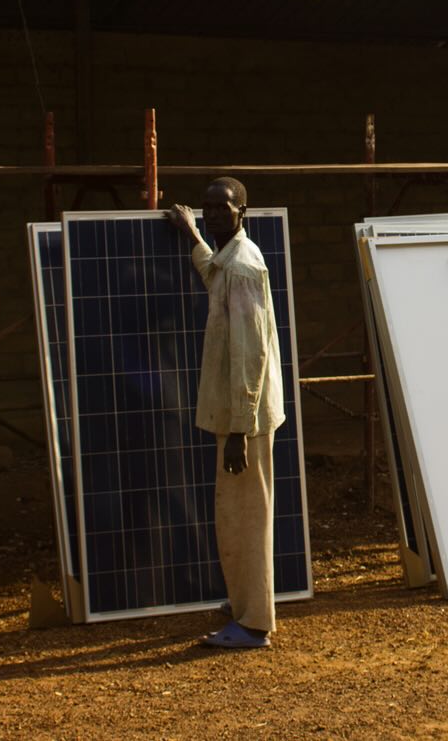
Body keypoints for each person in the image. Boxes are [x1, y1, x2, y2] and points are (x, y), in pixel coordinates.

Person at [167, 177, 285, 649]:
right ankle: (245, 601)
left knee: (245, 518)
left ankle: (254, 622)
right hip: (241, 416)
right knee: (237, 514)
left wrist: (238, 427)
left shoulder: (243, 266)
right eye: (207, 208)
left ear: (242, 213)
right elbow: (212, 274)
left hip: (245, 420)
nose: (214, 214)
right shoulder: (228, 261)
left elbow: (251, 354)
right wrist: (193, 237)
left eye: (223, 208)